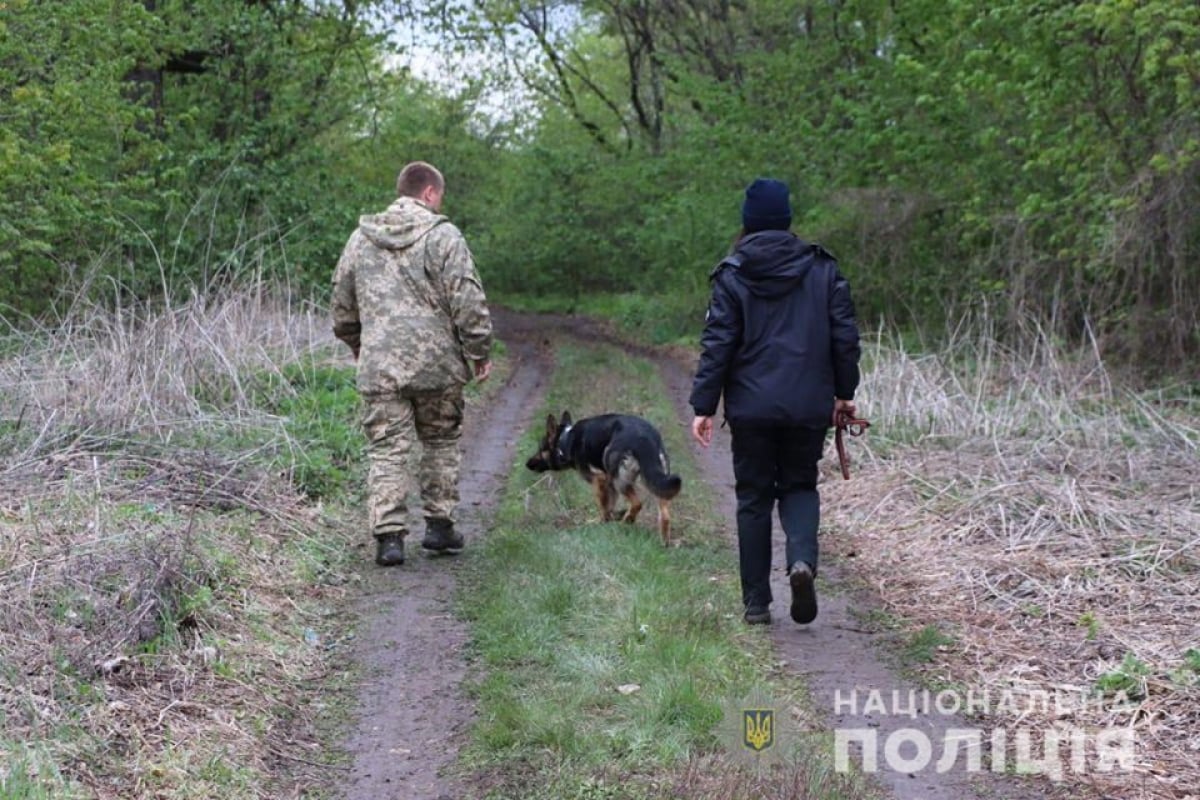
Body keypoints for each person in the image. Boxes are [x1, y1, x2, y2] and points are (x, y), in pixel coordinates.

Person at [689, 177, 861, 625]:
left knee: (753, 497)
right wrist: (845, 393)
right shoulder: (822, 270)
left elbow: (718, 343)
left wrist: (703, 405)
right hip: (807, 405)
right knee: (800, 486)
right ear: (787, 218)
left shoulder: (732, 274)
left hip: (752, 408)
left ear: (748, 221)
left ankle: (757, 603)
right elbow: (845, 337)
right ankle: (801, 562)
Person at [331, 161, 493, 567]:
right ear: (430, 193)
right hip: (437, 365)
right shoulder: (443, 236)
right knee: (439, 441)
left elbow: (341, 306)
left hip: (380, 365)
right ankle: (439, 527)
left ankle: (389, 538)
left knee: (387, 449)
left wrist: (358, 344)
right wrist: (478, 351)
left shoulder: (360, 239)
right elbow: (468, 299)